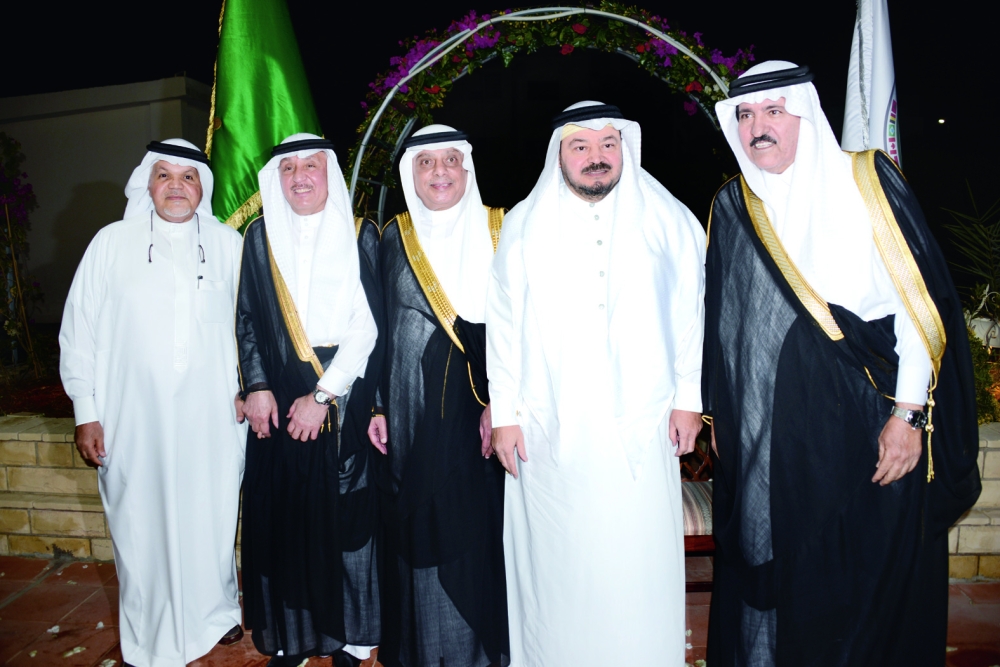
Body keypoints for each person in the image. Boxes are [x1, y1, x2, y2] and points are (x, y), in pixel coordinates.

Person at [703, 61, 982, 665]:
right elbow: (724, 326)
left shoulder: (868, 181)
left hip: (872, 414)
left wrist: (908, 416)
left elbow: (918, 309)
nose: (757, 127)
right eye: (744, 114)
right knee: (797, 571)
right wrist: (723, 415)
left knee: (874, 568)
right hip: (785, 435)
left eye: (773, 111)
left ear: (805, 115)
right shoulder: (735, 205)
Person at [486, 102, 706, 664]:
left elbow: (691, 314)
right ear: (558, 154)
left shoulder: (669, 217)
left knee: (635, 562)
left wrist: (688, 400)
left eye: (609, 144)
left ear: (624, 148)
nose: (596, 157)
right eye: (580, 146)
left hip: (644, 424)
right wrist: (504, 414)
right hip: (547, 426)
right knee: (559, 564)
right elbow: (504, 325)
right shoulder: (523, 224)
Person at [60, 139, 247, 666]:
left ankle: (216, 615)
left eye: (188, 177)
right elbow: (78, 331)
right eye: (164, 175)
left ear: (203, 188)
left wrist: (249, 386)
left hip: (212, 419)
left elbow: (251, 327)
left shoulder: (228, 244)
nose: (176, 187)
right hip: (131, 418)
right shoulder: (110, 243)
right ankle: (147, 633)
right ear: (147, 183)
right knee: (139, 525)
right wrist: (85, 411)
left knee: (211, 520)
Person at [235, 134, 380, 667]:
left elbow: (369, 327)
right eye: (288, 168)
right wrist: (256, 387)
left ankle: (352, 639)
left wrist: (322, 394)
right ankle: (292, 636)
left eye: (311, 166)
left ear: (329, 173)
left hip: (343, 391)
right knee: (288, 520)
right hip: (277, 396)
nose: (300, 177)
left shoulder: (361, 232)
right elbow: (247, 318)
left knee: (347, 521)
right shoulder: (259, 237)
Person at [367, 124, 508, 667]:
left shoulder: (501, 228)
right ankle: (426, 648)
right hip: (409, 414)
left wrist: (504, 404)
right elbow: (379, 329)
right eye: (426, 162)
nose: (440, 171)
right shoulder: (393, 237)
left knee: (475, 529)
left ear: (466, 168)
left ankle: (476, 650)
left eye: (450, 160)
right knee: (420, 525)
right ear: (411, 174)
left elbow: (523, 328)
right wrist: (379, 405)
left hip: (483, 417)